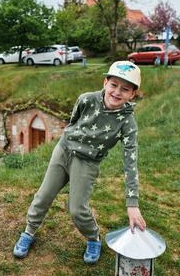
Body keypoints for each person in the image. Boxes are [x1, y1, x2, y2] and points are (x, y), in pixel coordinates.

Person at [13, 61, 146, 264]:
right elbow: (74, 121)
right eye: (113, 85)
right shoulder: (86, 99)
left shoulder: (127, 123)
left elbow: (130, 161)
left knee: (77, 209)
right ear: (105, 82)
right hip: (63, 151)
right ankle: (29, 231)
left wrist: (132, 202)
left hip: (87, 163)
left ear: (132, 94)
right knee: (43, 196)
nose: (117, 92)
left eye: (125, 89)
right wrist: (69, 142)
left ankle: (93, 237)